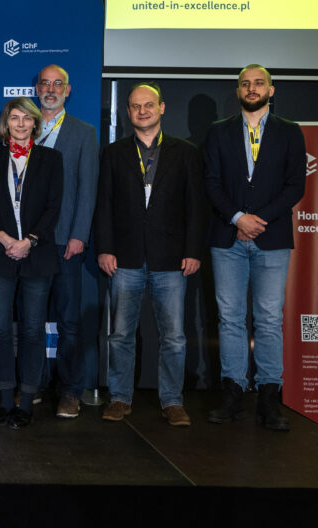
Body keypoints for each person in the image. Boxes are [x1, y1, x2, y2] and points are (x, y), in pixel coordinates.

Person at [96, 82, 207, 426]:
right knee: (120, 334)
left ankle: (172, 401)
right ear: (127, 112)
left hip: (172, 258)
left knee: (173, 336)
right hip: (124, 257)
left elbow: (196, 207)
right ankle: (119, 398)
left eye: (148, 105)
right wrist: (104, 248)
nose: (142, 111)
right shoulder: (114, 153)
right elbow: (104, 206)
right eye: (134, 106)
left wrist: (193, 250)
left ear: (161, 108)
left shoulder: (185, 152)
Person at [204, 64, 306, 431]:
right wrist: (237, 218)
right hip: (227, 238)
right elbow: (211, 183)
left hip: (272, 238)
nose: (252, 88)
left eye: (258, 83)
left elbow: (296, 186)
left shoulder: (290, 133)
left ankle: (268, 399)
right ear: (238, 91)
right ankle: (232, 394)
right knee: (229, 320)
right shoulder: (218, 133)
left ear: (271, 90)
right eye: (245, 84)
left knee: (268, 320)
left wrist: (256, 219)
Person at [0, 97, 63, 429]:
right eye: (15, 118)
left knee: (31, 329)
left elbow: (53, 208)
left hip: (37, 255)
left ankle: (26, 401)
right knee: (0, 330)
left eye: (27, 118)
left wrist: (30, 241)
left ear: (35, 123)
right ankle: (3, 400)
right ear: (6, 123)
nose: (21, 124)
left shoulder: (51, 159)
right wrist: (4, 238)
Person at [34, 65, 99, 419]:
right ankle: (33, 384)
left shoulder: (83, 132)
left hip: (64, 243)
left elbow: (88, 189)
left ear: (68, 91)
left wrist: (79, 235)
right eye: (45, 83)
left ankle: (70, 390)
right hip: (30, 242)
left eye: (57, 84)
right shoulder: (22, 125)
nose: (51, 89)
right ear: (37, 88)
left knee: (68, 321)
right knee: (30, 319)